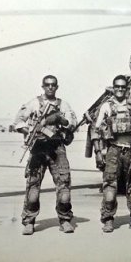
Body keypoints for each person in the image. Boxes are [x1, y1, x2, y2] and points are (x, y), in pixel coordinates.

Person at [13, 75, 77, 235]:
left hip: (57, 147)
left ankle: (65, 220)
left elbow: (72, 122)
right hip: (38, 147)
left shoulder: (63, 105)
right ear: (43, 86)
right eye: (47, 85)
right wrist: (31, 131)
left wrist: (58, 119)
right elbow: (18, 121)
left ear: (57, 87)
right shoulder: (33, 103)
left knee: (64, 186)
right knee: (33, 188)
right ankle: (29, 221)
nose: (50, 87)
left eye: (53, 85)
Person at [93, 75, 131, 233]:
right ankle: (108, 219)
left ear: (126, 89)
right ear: (113, 87)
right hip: (113, 150)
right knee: (110, 188)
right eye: (117, 86)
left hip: (130, 151)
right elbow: (95, 131)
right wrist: (98, 152)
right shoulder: (106, 107)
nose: (120, 89)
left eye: (123, 87)